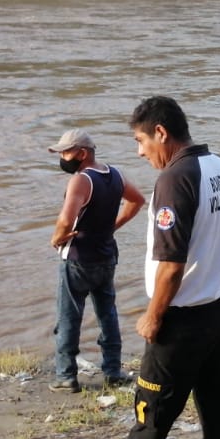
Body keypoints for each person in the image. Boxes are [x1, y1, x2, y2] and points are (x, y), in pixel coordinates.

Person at [72, 96, 220, 439]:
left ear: (161, 132)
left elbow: (171, 265)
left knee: (149, 413)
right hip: (217, 310)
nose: (139, 152)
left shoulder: (175, 179)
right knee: (217, 409)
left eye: (140, 140)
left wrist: (154, 315)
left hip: (181, 320)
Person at [47, 128, 146, 393]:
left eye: (66, 152)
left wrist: (56, 238)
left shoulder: (81, 180)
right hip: (106, 256)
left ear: (82, 153)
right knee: (107, 314)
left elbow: (67, 220)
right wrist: (113, 226)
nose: (63, 158)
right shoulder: (114, 174)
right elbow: (137, 200)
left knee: (69, 317)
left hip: (78, 259)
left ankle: (66, 376)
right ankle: (113, 370)